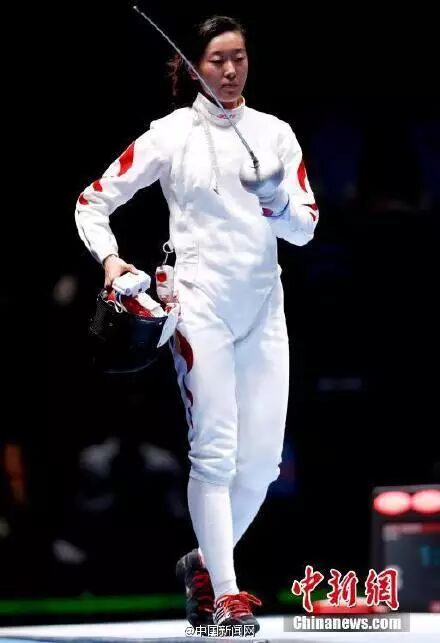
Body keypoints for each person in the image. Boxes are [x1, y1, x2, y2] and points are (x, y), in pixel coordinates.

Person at [75, 15, 318, 633]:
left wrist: (275, 198)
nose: (231, 71)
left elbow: (305, 229)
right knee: (214, 453)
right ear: (192, 66)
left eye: (239, 58)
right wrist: (110, 260)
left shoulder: (275, 134)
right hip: (200, 304)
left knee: (262, 466)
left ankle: (204, 565)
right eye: (217, 60)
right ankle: (228, 594)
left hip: (263, 307)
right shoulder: (171, 134)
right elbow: (92, 200)